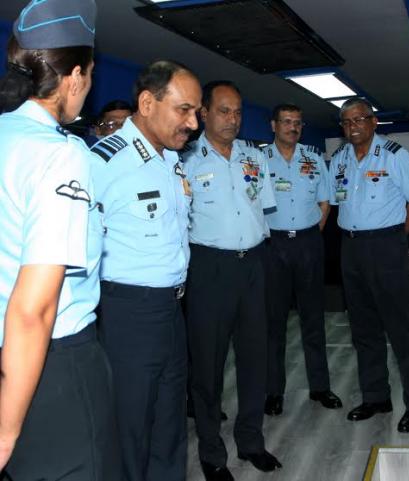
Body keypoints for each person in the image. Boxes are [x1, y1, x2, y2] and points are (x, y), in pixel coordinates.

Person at [0, 0, 121, 479]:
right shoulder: (61, 154)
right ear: (74, 77)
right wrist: (6, 430)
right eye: (89, 75)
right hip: (52, 367)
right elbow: (35, 309)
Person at [90, 60, 202, 481]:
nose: (193, 123)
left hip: (173, 309)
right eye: (184, 110)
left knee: (170, 425)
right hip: (128, 313)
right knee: (129, 430)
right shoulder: (104, 162)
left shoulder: (171, 159)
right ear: (147, 103)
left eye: (196, 112)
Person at [183, 80, 281, 481]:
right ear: (204, 113)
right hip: (210, 268)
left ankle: (251, 441)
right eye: (224, 111)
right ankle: (211, 452)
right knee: (208, 365)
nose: (233, 119)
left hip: (254, 264)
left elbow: (263, 207)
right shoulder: (186, 159)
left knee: (255, 358)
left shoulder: (254, 157)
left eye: (238, 112)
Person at [329, 98, 409, 433]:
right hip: (351, 248)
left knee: (401, 329)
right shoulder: (339, 159)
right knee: (363, 329)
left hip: (386, 246)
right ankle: (376, 397)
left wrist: (398, 239)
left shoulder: (394, 156)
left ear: (373, 122)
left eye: (359, 119)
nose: (353, 126)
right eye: (347, 122)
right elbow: (332, 200)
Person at [262, 103, 342, 416]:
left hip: (309, 243)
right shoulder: (258, 160)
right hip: (273, 246)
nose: (292, 127)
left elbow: (325, 203)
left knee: (313, 319)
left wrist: (310, 234)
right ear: (273, 125)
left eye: (297, 122)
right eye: (286, 121)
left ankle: (320, 387)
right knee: (274, 323)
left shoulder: (313, 159)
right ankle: (273, 391)